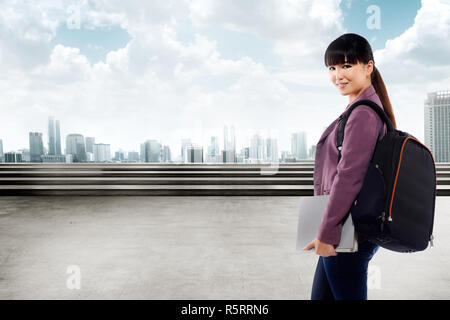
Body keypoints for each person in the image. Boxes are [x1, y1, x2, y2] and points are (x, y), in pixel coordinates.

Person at [302, 33, 397, 300]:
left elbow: (349, 177)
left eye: (346, 66)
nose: (338, 75)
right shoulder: (361, 109)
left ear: (368, 67)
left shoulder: (363, 113)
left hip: (348, 234)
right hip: (344, 232)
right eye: (332, 68)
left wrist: (327, 233)